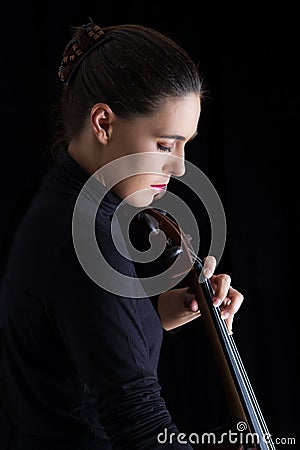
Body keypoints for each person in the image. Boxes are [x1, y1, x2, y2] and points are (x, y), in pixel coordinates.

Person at [0, 20, 244, 450]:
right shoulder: (84, 243)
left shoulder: (64, 204)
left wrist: (160, 314)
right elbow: (143, 430)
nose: (181, 166)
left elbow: (73, 337)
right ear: (103, 123)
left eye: (186, 144)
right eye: (166, 144)